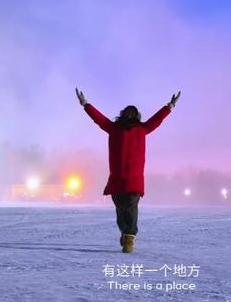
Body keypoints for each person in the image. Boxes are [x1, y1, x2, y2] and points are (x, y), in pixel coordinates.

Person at [76, 88, 180, 253]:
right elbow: (99, 118)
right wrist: (85, 104)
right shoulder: (113, 128)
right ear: (123, 114)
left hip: (134, 178)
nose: (130, 115)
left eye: (133, 113)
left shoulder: (142, 129)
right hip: (117, 178)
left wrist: (170, 106)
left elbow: (157, 120)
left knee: (130, 207)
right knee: (120, 209)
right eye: (127, 112)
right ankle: (125, 232)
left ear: (137, 116)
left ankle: (130, 236)